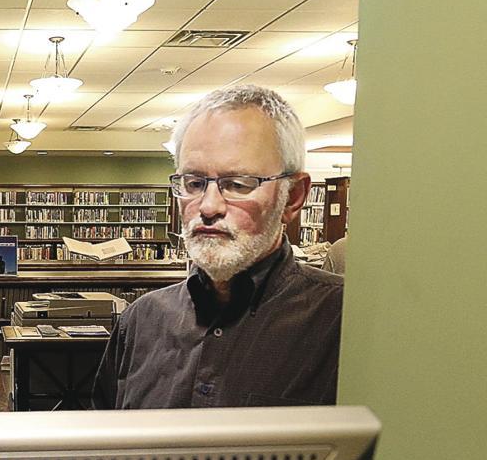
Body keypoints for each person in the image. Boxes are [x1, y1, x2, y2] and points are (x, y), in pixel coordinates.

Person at [93, 85, 343, 409]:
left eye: (238, 184)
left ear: (293, 197)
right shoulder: (142, 320)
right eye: (194, 183)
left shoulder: (342, 321)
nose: (208, 206)